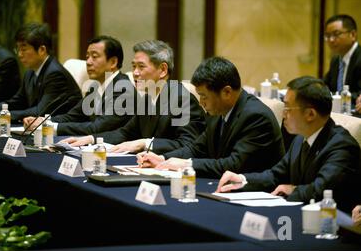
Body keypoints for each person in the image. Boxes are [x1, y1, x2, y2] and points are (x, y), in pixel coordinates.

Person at [217, 76, 361, 212]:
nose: (283, 114)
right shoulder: (300, 138)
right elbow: (275, 175)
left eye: (288, 108)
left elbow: (321, 191)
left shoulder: (342, 146)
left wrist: (293, 190)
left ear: (310, 114)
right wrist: (242, 180)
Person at [137, 56, 285, 177]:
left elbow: (234, 164)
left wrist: (186, 164)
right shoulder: (218, 111)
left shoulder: (256, 117)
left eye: (204, 96)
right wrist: (162, 159)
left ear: (226, 92)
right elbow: (197, 148)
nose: (201, 102)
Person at [62, 40, 205, 154]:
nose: (135, 73)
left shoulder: (181, 98)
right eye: (133, 66)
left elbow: (187, 144)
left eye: (141, 67)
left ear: (162, 70)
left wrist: (145, 143)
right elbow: (125, 133)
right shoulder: (147, 97)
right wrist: (91, 139)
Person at [0, 22, 82, 122]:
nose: (19, 54)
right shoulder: (31, 71)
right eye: (18, 49)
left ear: (42, 50)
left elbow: (39, 111)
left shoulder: (55, 74)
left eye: (24, 49)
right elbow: (17, 102)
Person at [23, 35, 135, 135]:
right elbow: (73, 116)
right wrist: (44, 121)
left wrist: (53, 127)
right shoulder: (95, 87)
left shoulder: (123, 89)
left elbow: (98, 127)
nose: (88, 62)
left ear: (113, 62)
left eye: (94, 57)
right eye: (87, 57)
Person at [322, 14, 361, 105]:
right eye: (327, 36)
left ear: (353, 35)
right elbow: (324, 85)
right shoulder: (336, 59)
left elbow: (359, 94)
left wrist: (335, 97)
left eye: (336, 34)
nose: (331, 40)